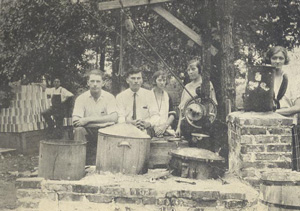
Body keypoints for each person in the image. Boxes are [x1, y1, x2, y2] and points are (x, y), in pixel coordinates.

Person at [72, 69, 118, 164]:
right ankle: (78, 163)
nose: (95, 84)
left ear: (103, 83)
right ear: (88, 83)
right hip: (88, 131)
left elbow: (114, 117)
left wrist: (88, 119)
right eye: (92, 81)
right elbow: (76, 120)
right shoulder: (81, 99)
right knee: (78, 130)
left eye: (98, 81)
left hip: (105, 130)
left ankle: (109, 163)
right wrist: (101, 120)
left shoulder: (109, 97)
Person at [265, 46, 300, 170]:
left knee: (290, 166)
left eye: (281, 58)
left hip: (288, 126)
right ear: (269, 59)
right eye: (274, 58)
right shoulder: (264, 78)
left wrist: (276, 112)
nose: (278, 61)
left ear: (285, 60)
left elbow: (298, 107)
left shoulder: (292, 80)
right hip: (268, 126)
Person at [176, 59, 217, 147]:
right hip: (188, 125)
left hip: (203, 126)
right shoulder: (187, 87)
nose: (190, 72)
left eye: (193, 69)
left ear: (200, 69)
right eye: (188, 70)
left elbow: (212, 107)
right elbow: (182, 110)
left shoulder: (207, 85)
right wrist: (178, 127)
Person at [116, 68, 160, 136]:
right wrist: (130, 122)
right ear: (127, 80)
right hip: (126, 129)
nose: (136, 81)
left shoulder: (149, 95)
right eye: (133, 78)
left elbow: (155, 115)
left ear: (142, 80)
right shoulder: (120, 97)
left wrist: (148, 123)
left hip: (145, 129)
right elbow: (119, 117)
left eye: (138, 78)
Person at [151, 70, 176, 137]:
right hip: (151, 129)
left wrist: (164, 126)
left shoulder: (167, 96)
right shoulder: (148, 95)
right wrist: (155, 128)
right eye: (159, 80)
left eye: (164, 80)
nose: (162, 82)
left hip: (165, 128)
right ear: (154, 81)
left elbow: (172, 114)